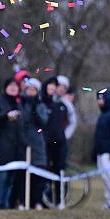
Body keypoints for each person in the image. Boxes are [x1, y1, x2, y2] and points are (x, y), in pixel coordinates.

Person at [0, 78, 25, 209]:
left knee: (11, 179)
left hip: (17, 148)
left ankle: (5, 205)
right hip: (2, 147)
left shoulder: (19, 104)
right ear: (5, 87)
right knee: (1, 178)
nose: (13, 87)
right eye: (10, 85)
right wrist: (6, 116)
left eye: (15, 85)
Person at [20, 78, 49, 209]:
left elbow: (43, 122)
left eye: (33, 90)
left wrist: (35, 109)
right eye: (29, 89)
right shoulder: (21, 104)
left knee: (38, 174)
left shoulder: (40, 105)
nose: (31, 92)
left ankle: (37, 201)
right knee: (23, 175)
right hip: (24, 143)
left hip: (37, 144)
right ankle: (23, 201)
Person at [42, 76, 68, 205]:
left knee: (59, 172)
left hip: (60, 144)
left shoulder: (62, 106)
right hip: (46, 144)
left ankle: (59, 200)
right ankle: (45, 200)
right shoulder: (42, 103)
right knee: (45, 171)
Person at [56, 75, 77, 145]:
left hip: (60, 141)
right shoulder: (48, 100)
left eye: (64, 87)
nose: (61, 89)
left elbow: (73, 121)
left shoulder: (67, 105)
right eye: (60, 86)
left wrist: (65, 136)